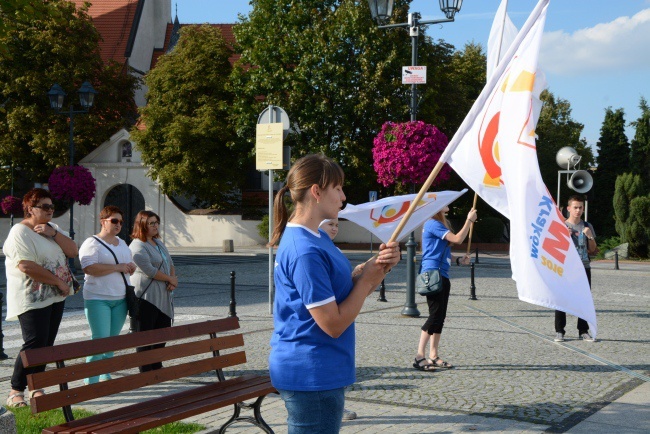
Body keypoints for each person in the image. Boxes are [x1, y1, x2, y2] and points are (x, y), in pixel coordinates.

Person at [269, 154, 400, 434]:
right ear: (316, 191)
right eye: (337, 188)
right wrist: (366, 282)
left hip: (322, 367)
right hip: (311, 370)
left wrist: (377, 267)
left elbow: (343, 289)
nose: (343, 197)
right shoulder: (305, 250)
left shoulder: (316, 238)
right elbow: (333, 324)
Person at [3, 188, 78, 407]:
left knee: (46, 344)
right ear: (29, 208)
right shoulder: (20, 232)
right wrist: (58, 282)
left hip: (54, 297)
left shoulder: (52, 228)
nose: (49, 210)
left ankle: (37, 387)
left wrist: (53, 233)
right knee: (34, 343)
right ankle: (16, 390)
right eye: (44, 206)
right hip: (32, 297)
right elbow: (26, 265)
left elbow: (73, 251)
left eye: (51, 206)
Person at [413, 205, 477, 372]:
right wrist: (469, 221)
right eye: (446, 202)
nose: (449, 204)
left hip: (442, 274)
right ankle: (419, 356)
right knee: (434, 315)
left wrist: (458, 260)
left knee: (440, 316)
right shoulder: (432, 223)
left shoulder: (440, 224)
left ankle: (433, 355)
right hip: (433, 274)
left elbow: (444, 252)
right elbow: (457, 239)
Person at [79, 205, 136, 384]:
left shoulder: (122, 243)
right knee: (99, 340)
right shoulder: (92, 243)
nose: (118, 224)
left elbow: (128, 263)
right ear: (103, 222)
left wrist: (130, 267)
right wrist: (117, 267)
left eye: (120, 221)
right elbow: (89, 267)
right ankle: (90, 380)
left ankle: (105, 373)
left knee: (112, 341)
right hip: (98, 298)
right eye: (114, 221)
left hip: (120, 298)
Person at [319, 217, 357, 422]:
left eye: (336, 225)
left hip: (340, 330)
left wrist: (358, 277)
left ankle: (336, 407)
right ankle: (334, 409)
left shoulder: (334, 249)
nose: (334, 228)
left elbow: (341, 286)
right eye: (330, 225)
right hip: (327, 327)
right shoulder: (313, 249)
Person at [129, 210, 177, 372]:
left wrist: (172, 278)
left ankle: (157, 364)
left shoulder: (159, 243)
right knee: (146, 334)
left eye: (157, 222)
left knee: (163, 330)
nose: (156, 226)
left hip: (163, 294)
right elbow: (149, 270)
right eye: (151, 223)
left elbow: (169, 262)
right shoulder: (137, 245)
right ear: (142, 225)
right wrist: (169, 279)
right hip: (146, 297)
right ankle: (145, 368)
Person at [554, 194, 598, 343]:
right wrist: (564, 238)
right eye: (575, 207)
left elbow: (593, 250)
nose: (578, 210)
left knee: (583, 299)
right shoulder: (561, 226)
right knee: (561, 299)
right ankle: (560, 331)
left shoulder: (587, 226)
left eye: (580, 208)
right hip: (565, 268)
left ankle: (583, 331)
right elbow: (555, 251)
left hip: (583, 267)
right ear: (568, 208)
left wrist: (590, 236)